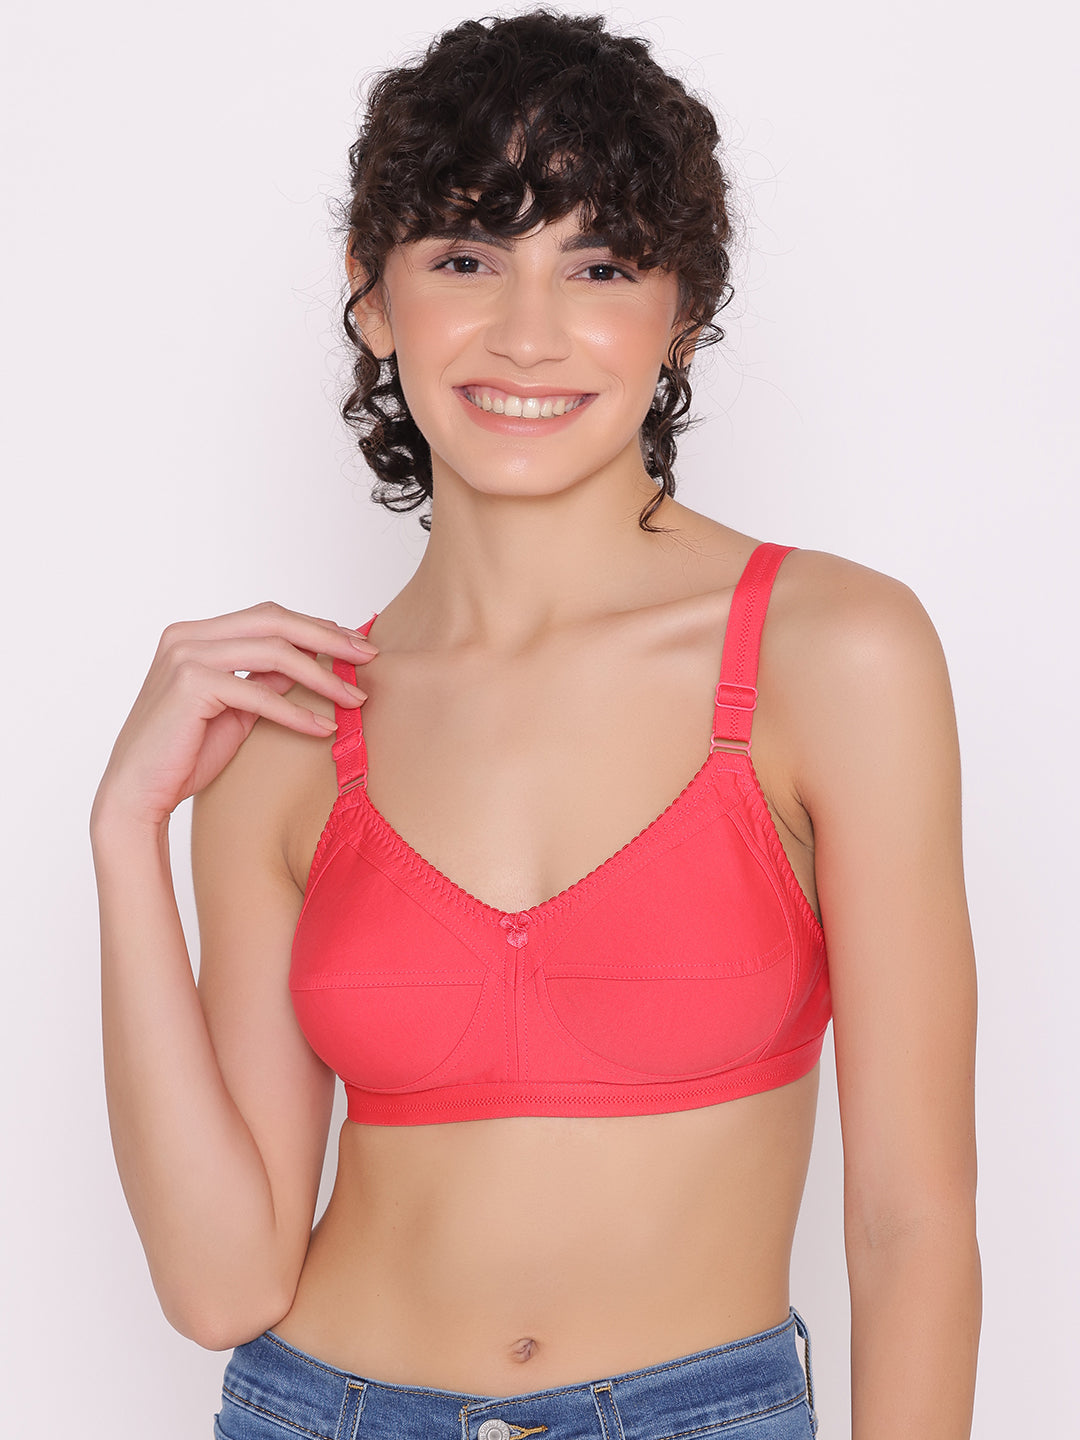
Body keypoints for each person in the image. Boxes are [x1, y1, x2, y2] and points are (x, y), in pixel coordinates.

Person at [90, 11, 981, 1438]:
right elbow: (219, 1284)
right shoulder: (295, 729)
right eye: (465, 258)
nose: (527, 332)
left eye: (600, 266)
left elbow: (912, 1220)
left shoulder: (834, 654)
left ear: (682, 310)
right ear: (372, 296)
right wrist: (127, 831)